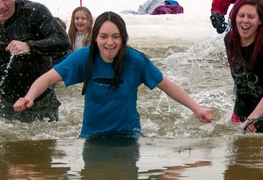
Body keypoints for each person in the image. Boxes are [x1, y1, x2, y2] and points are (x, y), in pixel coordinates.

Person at [14, 11, 213, 136]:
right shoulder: (85, 57)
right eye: (104, 37)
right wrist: (29, 97)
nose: (110, 42)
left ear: (124, 38)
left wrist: (197, 109)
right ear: (95, 38)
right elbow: (48, 78)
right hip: (92, 137)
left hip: (129, 136)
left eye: (116, 37)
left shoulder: (136, 61)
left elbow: (166, 85)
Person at [224, 0, 263, 122]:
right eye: (241, 16)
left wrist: (250, 121)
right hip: (239, 112)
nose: (245, 20)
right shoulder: (230, 39)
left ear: (260, 21)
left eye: (251, 17)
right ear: (234, 17)